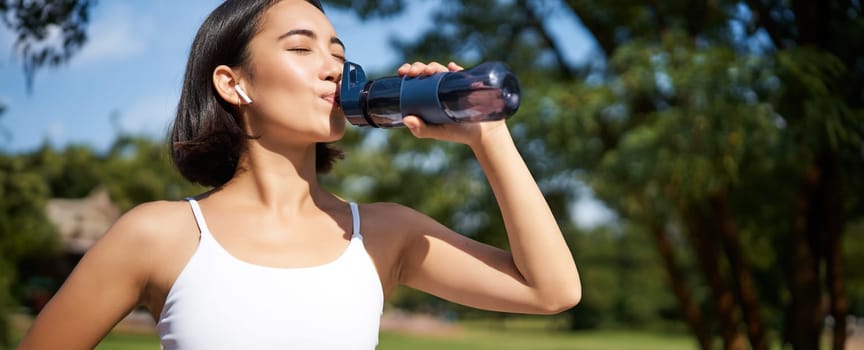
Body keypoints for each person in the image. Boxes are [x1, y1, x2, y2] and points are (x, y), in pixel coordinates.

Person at [16, 0, 581, 348]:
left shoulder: (383, 233)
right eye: (302, 48)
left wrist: (487, 135)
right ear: (234, 84)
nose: (333, 67)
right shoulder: (157, 235)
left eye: (338, 52)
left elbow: (550, 291)